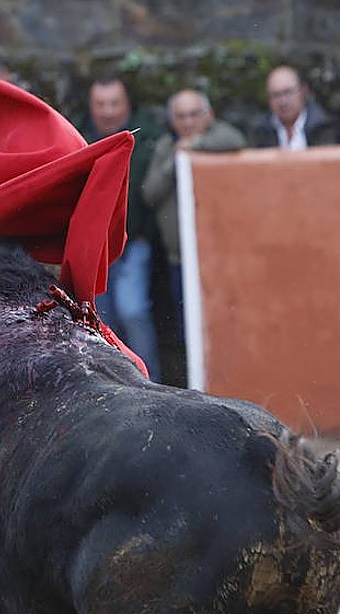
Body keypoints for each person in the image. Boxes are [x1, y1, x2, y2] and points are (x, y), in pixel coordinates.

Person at [142, 89, 244, 343]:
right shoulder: (167, 145)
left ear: (208, 115)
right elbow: (150, 194)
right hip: (180, 259)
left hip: (220, 255)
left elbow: (235, 140)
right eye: (180, 116)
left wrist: (196, 146)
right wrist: (175, 161)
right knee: (187, 329)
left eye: (193, 115)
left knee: (227, 324)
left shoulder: (218, 135)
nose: (188, 123)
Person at [80, 75, 164, 383]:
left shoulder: (150, 136)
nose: (108, 111)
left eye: (114, 103)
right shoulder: (79, 135)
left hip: (133, 244)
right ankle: (114, 385)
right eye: (100, 104)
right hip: (95, 249)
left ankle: (149, 384)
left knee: (133, 311)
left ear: (127, 103)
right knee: (102, 320)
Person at [249, 65, 336, 150]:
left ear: (303, 91)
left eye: (288, 92)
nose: (283, 101)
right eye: (276, 95)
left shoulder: (322, 127)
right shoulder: (260, 132)